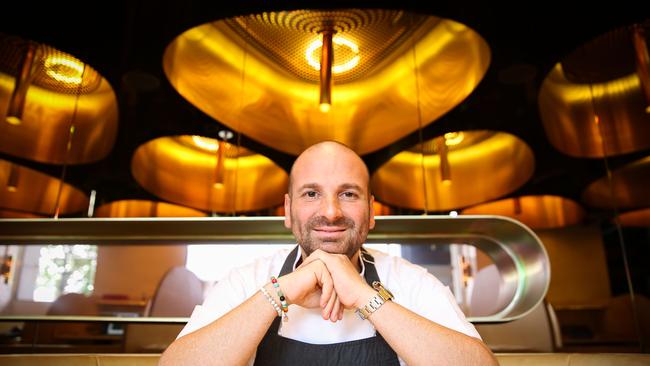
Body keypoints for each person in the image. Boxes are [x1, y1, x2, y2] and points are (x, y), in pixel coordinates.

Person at [159, 141, 497, 366]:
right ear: (288, 211)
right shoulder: (246, 280)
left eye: (348, 194)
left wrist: (366, 297)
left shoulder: (411, 281)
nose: (332, 212)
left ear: (371, 210)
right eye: (311, 194)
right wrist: (280, 291)